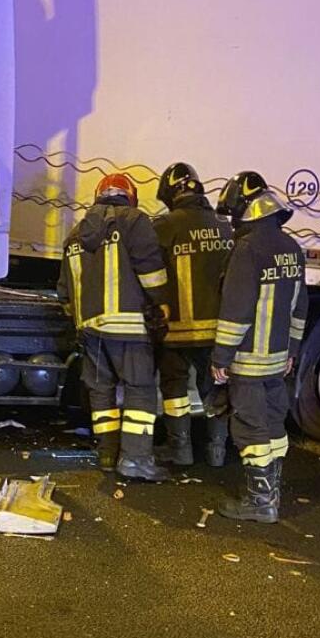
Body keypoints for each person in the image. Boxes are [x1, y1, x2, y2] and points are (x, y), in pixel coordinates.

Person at [58, 172, 172, 481]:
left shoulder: (75, 236)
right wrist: (162, 302)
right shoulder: (134, 221)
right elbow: (151, 271)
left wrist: (83, 320)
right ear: (130, 196)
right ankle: (135, 460)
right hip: (130, 329)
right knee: (140, 392)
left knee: (101, 391)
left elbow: (65, 294)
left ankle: (108, 453)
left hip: (90, 332)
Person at [211, 171, 308, 522]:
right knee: (272, 423)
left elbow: (236, 310)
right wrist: (293, 350)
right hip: (278, 359)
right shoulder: (291, 248)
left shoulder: (247, 249)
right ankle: (272, 492)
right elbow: (300, 306)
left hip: (249, 359)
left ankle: (260, 502)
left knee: (249, 427)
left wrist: (221, 356)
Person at [151, 162, 235, 467]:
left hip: (176, 330)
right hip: (217, 331)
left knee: (174, 388)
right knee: (214, 388)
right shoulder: (227, 227)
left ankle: (180, 450)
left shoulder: (163, 227)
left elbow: (149, 273)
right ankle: (216, 452)